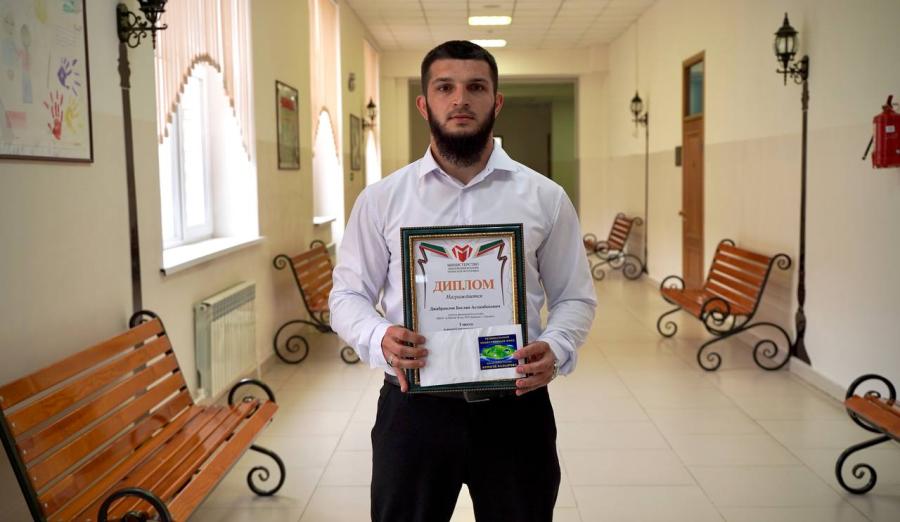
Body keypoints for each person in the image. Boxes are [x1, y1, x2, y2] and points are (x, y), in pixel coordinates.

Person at [329, 40, 596, 522]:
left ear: (496, 101)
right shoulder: (382, 200)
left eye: (475, 87)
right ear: (424, 103)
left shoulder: (545, 197)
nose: (460, 100)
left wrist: (556, 347)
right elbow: (347, 295)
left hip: (516, 407)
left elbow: (575, 296)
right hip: (415, 410)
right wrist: (378, 336)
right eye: (444, 87)